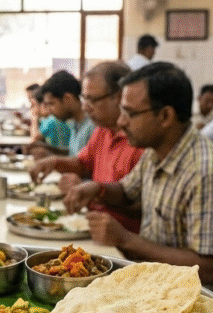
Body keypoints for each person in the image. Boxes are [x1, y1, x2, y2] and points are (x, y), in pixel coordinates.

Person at [63, 62, 213, 304]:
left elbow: (209, 269)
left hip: (198, 308)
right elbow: (128, 193)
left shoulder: (208, 174)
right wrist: (97, 188)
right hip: (159, 290)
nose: (121, 122)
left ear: (165, 116)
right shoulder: (156, 151)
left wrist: (125, 239)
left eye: (130, 113)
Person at [29, 61, 143, 233]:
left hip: (118, 237)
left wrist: (94, 193)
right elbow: (83, 164)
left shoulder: (141, 140)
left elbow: (140, 204)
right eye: (84, 99)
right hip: (89, 224)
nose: (85, 107)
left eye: (93, 100)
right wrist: (54, 161)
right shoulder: (102, 130)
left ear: (119, 96)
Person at [28, 70, 94, 158]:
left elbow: (83, 165)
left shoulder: (92, 126)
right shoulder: (74, 122)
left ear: (68, 98)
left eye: (51, 104)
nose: (49, 110)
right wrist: (47, 149)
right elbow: (74, 155)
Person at [27, 83, 70, 154]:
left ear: (43, 105)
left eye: (34, 105)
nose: (32, 108)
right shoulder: (49, 120)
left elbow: (33, 141)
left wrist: (34, 117)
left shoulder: (51, 121)